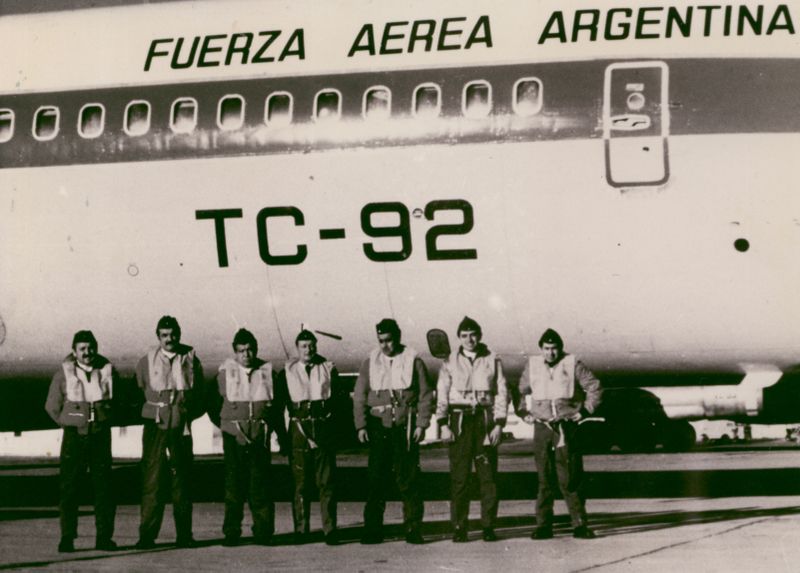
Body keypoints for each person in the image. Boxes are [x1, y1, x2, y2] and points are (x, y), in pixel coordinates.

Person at [514, 328, 602, 540]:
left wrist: (584, 411)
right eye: (546, 349)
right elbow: (520, 391)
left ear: (560, 349)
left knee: (570, 477)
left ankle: (579, 524)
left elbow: (594, 386)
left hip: (566, 426)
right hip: (543, 427)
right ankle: (544, 525)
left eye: (554, 349)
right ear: (541, 349)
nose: (550, 353)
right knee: (544, 477)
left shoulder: (572, 364)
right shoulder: (533, 366)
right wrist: (523, 412)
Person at [353, 318, 434, 545]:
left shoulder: (413, 360)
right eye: (381, 341)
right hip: (379, 428)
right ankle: (372, 529)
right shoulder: (370, 362)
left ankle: (413, 528)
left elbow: (426, 394)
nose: (385, 346)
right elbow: (359, 396)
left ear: (397, 338)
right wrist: (361, 425)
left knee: (408, 479)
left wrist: (421, 424)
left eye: (389, 340)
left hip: (404, 427)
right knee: (376, 479)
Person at [207, 328, 284, 547]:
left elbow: (276, 409)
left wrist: (277, 432)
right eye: (241, 351)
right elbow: (212, 405)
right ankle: (232, 531)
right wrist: (228, 426)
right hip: (235, 439)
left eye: (250, 350)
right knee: (234, 487)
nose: (246, 354)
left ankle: (263, 531)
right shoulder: (223, 375)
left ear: (256, 350)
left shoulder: (268, 373)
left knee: (260, 486)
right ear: (235, 353)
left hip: (259, 437)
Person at [135, 316, 204, 549]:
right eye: (164, 335)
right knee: (152, 480)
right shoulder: (146, 361)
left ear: (179, 334)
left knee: (182, 481)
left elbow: (199, 393)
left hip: (180, 426)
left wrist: (184, 414)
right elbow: (140, 387)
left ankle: (184, 535)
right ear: (158, 337)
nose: (169, 339)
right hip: (156, 426)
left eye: (173, 334)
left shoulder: (192, 360)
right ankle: (147, 535)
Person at [45, 330, 118, 553]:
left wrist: (103, 421)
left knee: (104, 488)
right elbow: (52, 406)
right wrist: (70, 422)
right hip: (74, 436)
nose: (88, 353)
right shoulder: (63, 374)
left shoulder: (107, 371)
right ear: (75, 351)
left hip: (99, 436)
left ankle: (104, 538)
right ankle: (67, 537)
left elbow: (118, 400)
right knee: (69, 488)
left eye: (91, 348)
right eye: (83, 349)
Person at [436, 317, 508, 542]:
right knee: (460, 478)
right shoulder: (449, 361)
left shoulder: (492, 360)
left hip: (484, 421)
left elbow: (501, 392)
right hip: (460, 421)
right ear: (459, 337)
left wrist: (498, 424)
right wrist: (443, 424)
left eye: (473, 334)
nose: (469, 339)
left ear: (480, 335)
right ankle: (459, 527)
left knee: (488, 478)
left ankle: (488, 526)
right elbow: (442, 393)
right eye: (465, 335)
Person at [275, 329, 340, 545]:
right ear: (297, 348)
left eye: (311, 345)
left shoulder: (329, 369)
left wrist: (335, 434)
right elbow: (279, 407)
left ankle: (329, 529)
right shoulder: (287, 372)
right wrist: (284, 438)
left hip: (323, 430)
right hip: (299, 432)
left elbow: (338, 403)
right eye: (303, 346)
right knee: (301, 484)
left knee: (327, 482)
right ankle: (301, 530)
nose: (308, 350)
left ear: (316, 346)